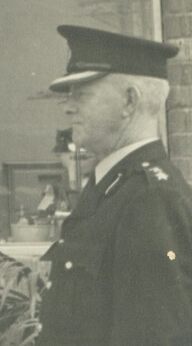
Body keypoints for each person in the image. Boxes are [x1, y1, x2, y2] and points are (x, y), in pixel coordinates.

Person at [38, 25, 192, 346]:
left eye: (82, 94)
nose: (69, 106)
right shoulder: (111, 186)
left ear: (129, 101)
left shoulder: (149, 198)